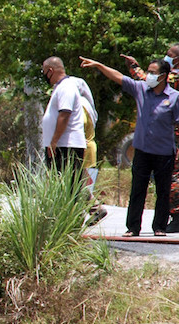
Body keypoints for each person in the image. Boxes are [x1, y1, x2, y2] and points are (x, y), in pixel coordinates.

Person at [80, 56, 179, 236]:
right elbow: (118, 77)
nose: (149, 75)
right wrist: (99, 65)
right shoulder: (141, 89)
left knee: (163, 192)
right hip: (142, 151)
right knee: (137, 191)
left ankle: (159, 227)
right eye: (148, 71)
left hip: (164, 153)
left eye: (153, 73)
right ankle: (133, 228)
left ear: (164, 76)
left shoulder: (174, 97)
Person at [122, 45, 179, 232]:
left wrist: (135, 69)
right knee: (138, 188)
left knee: (167, 188)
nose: (167, 57)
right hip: (145, 147)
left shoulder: (174, 81)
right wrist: (134, 68)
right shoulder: (147, 87)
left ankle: (166, 223)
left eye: (171, 56)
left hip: (168, 145)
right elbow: (144, 80)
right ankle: (133, 227)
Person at [40, 57, 87, 172]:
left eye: (44, 72)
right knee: (58, 186)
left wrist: (54, 141)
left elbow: (65, 115)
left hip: (67, 146)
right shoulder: (60, 87)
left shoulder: (67, 87)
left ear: (50, 71)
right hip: (60, 146)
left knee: (67, 187)